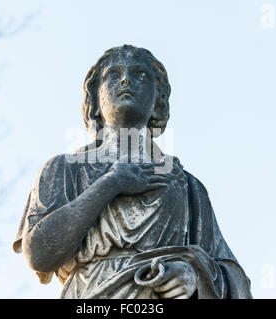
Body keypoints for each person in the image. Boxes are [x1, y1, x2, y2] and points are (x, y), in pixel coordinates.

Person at [13, 45, 252, 299]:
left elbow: (236, 279)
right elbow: (39, 255)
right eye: (113, 74)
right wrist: (110, 184)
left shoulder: (187, 186)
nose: (126, 79)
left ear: (159, 100)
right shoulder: (63, 171)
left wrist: (194, 274)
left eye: (140, 74)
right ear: (94, 100)